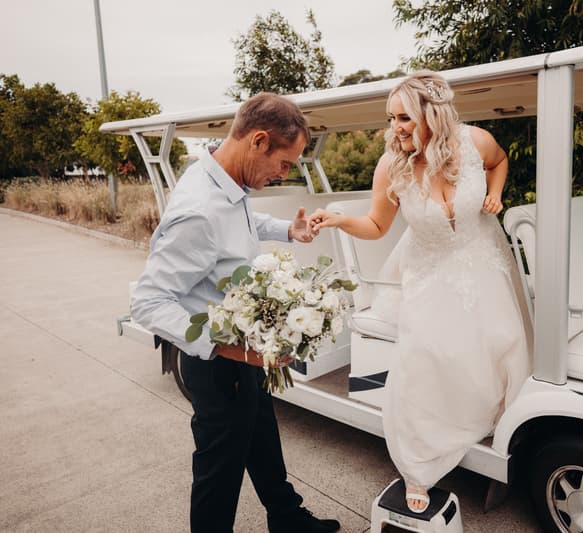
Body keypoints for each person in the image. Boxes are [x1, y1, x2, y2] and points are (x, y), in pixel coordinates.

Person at [308, 71, 531, 512]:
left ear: (433, 114)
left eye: (404, 117)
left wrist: (497, 195)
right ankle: (419, 465)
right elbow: (375, 226)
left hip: (484, 259)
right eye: (391, 118)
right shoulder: (392, 166)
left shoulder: (474, 142)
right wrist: (338, 220)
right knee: (426, 359)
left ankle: (500, 424)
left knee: (500, 343)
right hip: (429, 272)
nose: (396, 128)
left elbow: (500, 160)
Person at [131, 93, 340, 533]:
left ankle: (286, 517)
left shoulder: (222, 176)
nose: (284, 174)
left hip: (243, 351)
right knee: (218, 471)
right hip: (216, 363)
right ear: (259, 141)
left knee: (262, 433)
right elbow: (148, 302)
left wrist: (287, 229)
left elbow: (240, 221)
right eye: (284, 164)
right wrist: (228, 349)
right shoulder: (199, 211)